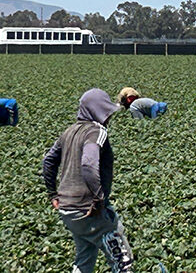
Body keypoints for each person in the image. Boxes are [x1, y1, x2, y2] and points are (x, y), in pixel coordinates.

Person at [42, 89, 133, 273]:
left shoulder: (68, 132)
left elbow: (48, 161)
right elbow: (89, 164)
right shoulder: (96, 131)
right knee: (122, 260)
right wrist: (98, 199)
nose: (108, 118)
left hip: (68, 210)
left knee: (85, 258)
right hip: (89, 209)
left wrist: (53, 193)